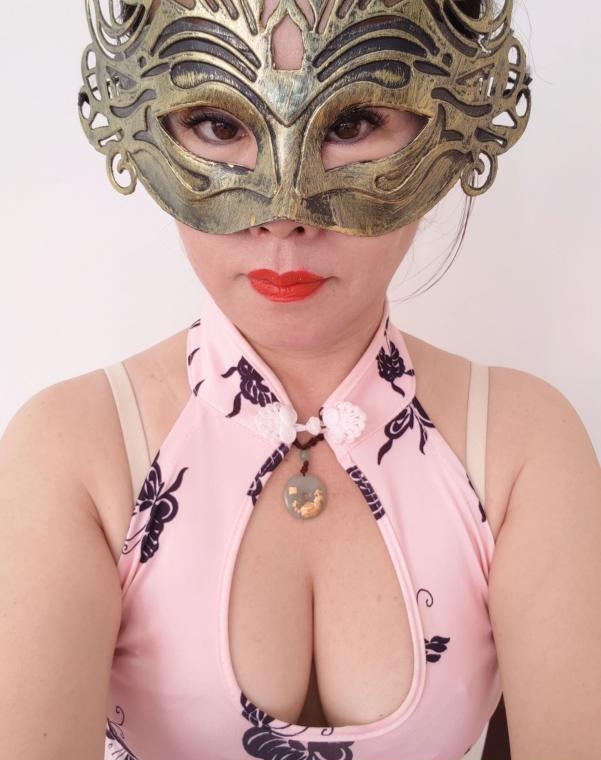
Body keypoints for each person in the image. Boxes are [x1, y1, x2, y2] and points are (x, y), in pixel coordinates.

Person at [1, 1, 599, 759]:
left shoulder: (519, 449)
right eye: (217, 123)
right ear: (142, 120)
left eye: (351, 123)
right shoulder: (74, 453)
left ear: (459, 123)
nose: (283, 213)